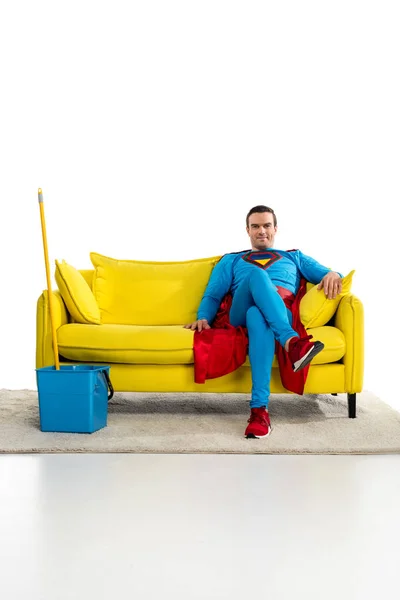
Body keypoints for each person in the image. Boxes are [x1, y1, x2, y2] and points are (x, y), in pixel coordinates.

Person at [184, 205, 343, 439]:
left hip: (278, 312)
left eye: (267, 225)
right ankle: (291, 342)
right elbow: (213, 295)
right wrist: (203, 317)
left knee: (258, 316)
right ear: (247, 230)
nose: (262, 231)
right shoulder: (231, 260)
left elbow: (329, 273)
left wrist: (333, 274)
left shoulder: (294, 257)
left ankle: (259, 411)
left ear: (275, 228)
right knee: (256, 275)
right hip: (239, 313)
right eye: (255, 226)